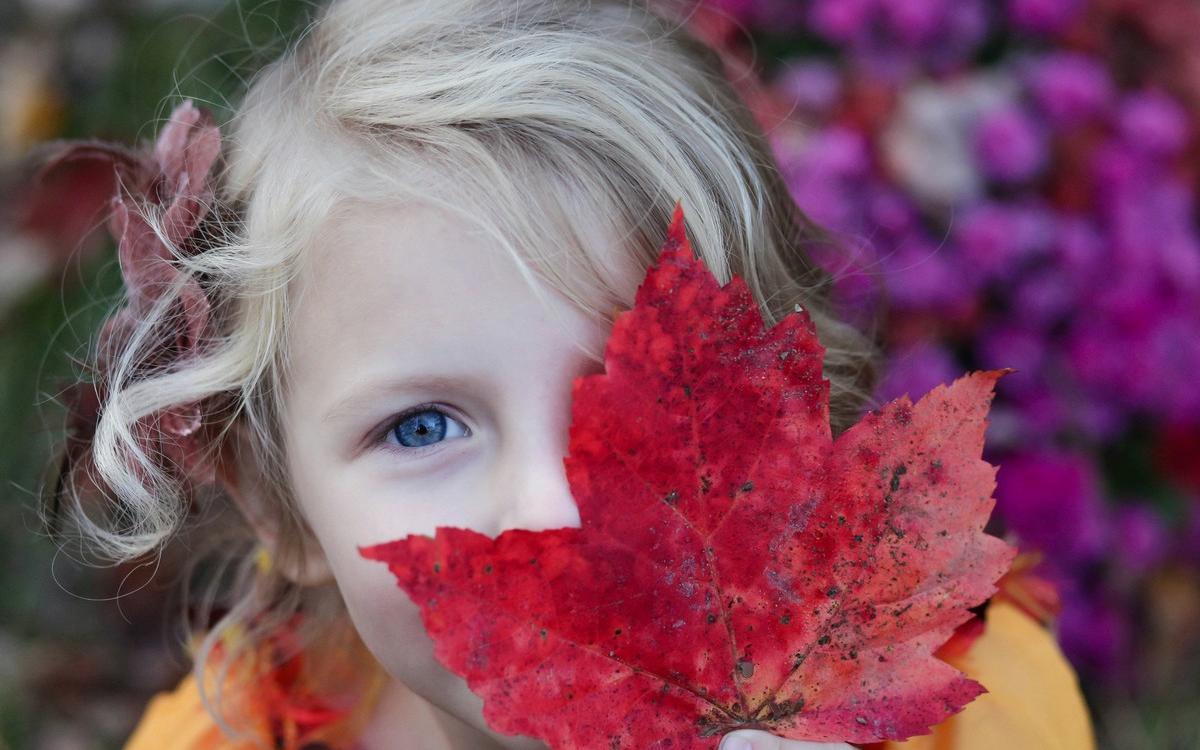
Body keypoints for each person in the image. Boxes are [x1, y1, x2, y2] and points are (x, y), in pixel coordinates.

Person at [36, 0, 1096, 748]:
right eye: (420, 428)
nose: (556, 509)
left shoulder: (973, 712)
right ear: (280, 506)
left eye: (639, 396)